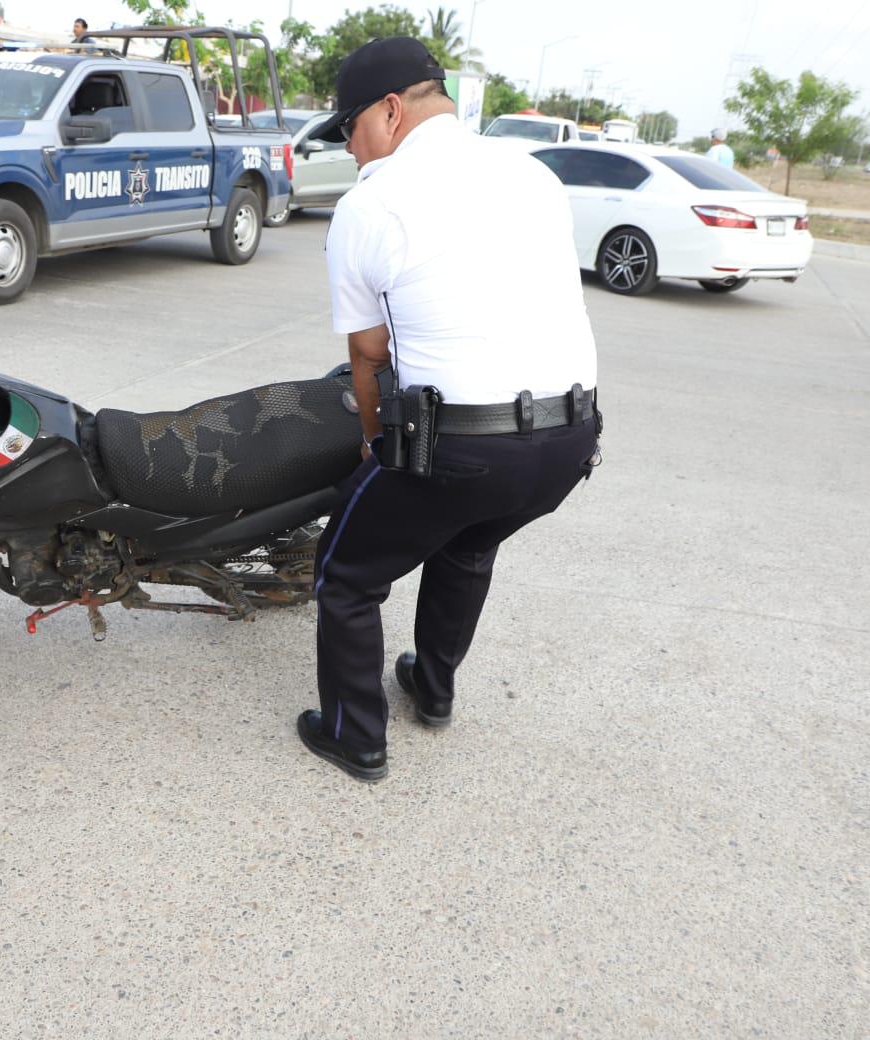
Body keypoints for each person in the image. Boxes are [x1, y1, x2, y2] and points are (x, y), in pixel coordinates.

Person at [295, 38, 600, 782]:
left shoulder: (373, 202)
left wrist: (374, 443)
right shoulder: (533, 175)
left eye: (351, 129)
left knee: (346, 575)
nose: (353, 150)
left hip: (466, 449)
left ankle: (355, 736)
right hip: (572, 442)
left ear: (391, 110)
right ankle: (432, 688)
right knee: (467, 543)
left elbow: (368, 353)